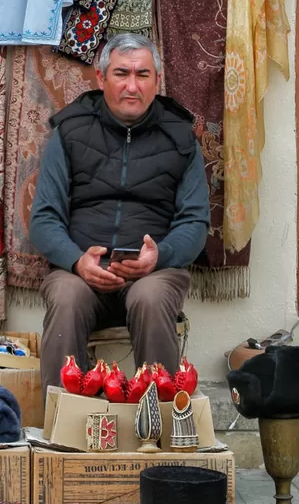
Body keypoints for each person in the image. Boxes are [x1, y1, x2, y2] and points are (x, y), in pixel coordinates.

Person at [29, 33, 210, 395]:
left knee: (151, 298)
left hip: (152, 273)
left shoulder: (180, 137)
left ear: (157, 82)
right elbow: (44, 218)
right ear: (100, 78)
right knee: (66, 298)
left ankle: (158, 428)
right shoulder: (70, 131)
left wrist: (161, 256)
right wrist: (77, 261)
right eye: (121, 74)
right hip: (79, 272)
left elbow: (194, 221)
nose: (132, 86)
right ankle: (62, 425)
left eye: (143, 75)